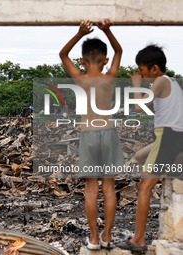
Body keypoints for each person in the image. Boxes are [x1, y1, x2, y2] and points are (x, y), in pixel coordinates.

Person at [59, 19, 124, 250]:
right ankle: (107, 236)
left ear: (82, 61)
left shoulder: (80, 79)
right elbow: (119, 50)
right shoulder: (110, 77)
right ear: (105, 61)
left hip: (88, 134)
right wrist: (107, 30)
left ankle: (94, 239)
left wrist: (79, 34)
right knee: (109, 188)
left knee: (90, 190)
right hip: (108, 133)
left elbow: (62, 53)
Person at [117, 45, 183, 251]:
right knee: (139, 156)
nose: (141, 75)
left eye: (142, 71)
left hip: (167, 137)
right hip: (174, 137)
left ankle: (138, 240)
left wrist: (136, 85)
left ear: (155, 69)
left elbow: (140, 107)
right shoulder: (173, 82)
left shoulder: (161, 81)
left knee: (143, 188)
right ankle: (159, 171)